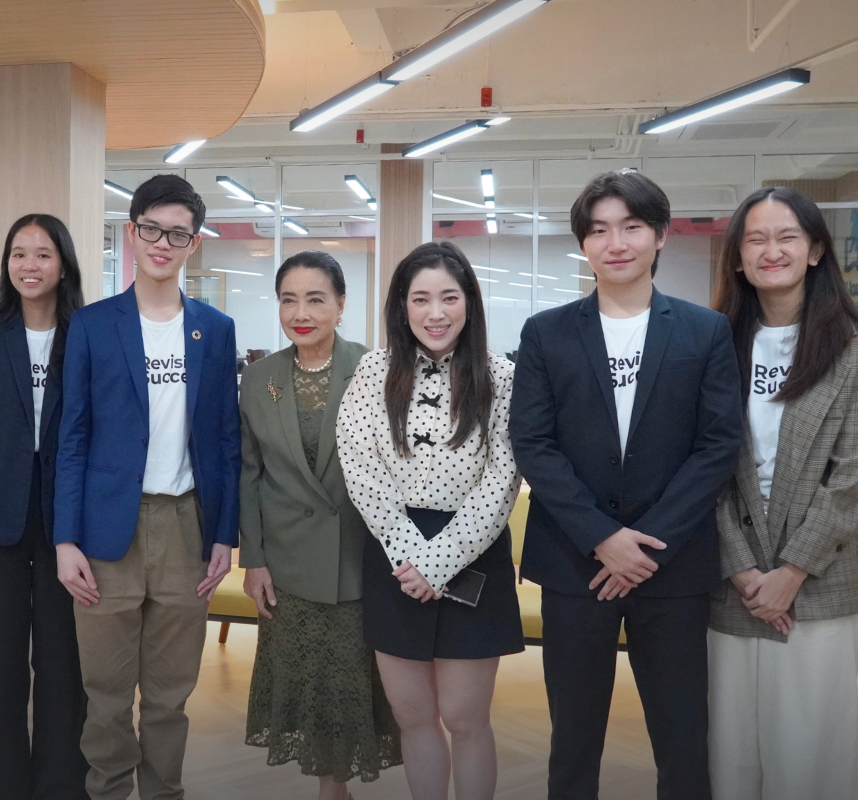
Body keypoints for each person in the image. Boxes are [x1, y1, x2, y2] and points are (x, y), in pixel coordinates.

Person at [509, 169, 742, 800]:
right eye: (599, 229)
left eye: (632, 227)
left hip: (674, 567)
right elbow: (533, 443)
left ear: (660, 235)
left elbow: (717, 443)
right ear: (583, 243)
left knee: (683, 733)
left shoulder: (704, 330)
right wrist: (602, 537)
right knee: (573, 737)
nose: (616, 242)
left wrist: (644, 545)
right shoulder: (546, 332)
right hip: (574, 566)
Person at [53, 174, 240, 800]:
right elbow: (71, 437)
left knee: (169, 696)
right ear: (132, 235)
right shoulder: (92, 324)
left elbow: (223, 439)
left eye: (178, 234)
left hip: (188, 527)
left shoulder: (213, 329)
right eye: (152, 230)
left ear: (193, 243)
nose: (164, 243)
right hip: (107, 531)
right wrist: (64, 539)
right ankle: (108, 792)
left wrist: (224, 534)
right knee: (105, 696)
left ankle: (165, 792)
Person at [707, 186, 858, 800]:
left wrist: (792, 571)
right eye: (755, 238)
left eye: (787, 236)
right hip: (733, 582)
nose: (771, 250)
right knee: (729, 751)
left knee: (808, 752)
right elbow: (706, 468)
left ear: (814, 250)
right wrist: (742, 568)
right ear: (737, 257)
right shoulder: (712, 344)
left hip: (818, 580)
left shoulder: (854, 347)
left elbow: (851, 477)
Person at [336, 241, 521, 800]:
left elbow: (503, 478)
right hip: (395, 555)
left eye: (449, 297)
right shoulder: (374, 370)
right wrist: (410, 555)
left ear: (470, 303)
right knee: (413, 716)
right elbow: (358, 462)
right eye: (421, 299)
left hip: (473, 552)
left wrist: (438, 563)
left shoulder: (500, 375)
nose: (435, 312)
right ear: (402, 306)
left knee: (465, 718)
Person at [240, 250, 402, 799]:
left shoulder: (376, 368)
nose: (301, 312)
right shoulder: (259, 377)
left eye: (315, 299)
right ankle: (331, 791)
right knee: (308, 686)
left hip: (359, 559)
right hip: (287, 565)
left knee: (348, 684)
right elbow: (249, 474)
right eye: (289, 299)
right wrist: (253, 559)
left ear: (340, 304)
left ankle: (335, 791)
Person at [0, 214, 89, 799]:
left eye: (43, 255)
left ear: (64, 265)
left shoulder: (88, 332)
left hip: (68, 523)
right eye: (19, 254)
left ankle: (62, 786)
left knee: (64, 667)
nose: (29, 265)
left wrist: (84, 532)